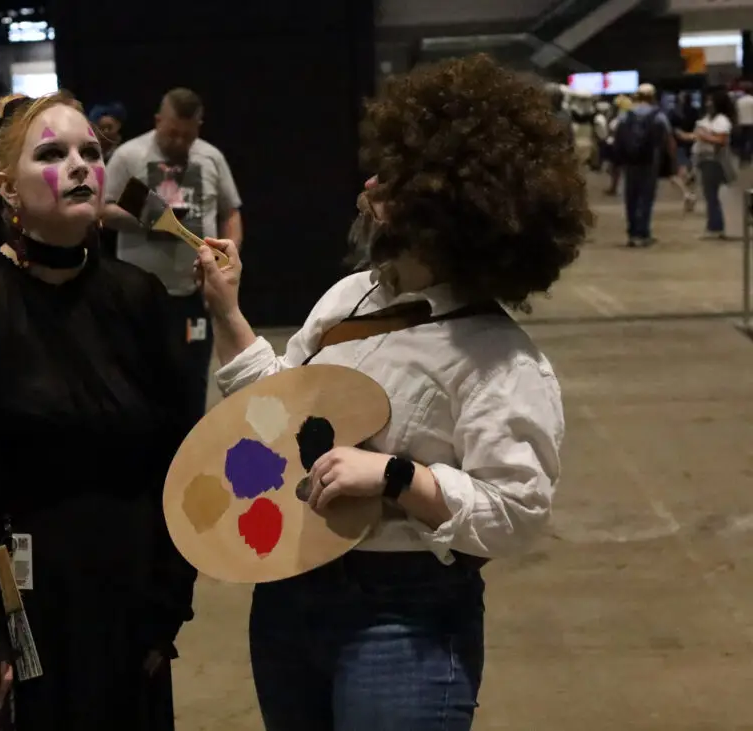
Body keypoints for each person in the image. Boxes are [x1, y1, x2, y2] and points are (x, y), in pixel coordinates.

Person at [194, 53, 589, 731]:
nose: (370, 183)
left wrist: (396, 475)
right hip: (288, 595)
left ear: (448, 205)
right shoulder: (351, 296)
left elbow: (518, 511)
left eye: (396, 179)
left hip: (403, 616)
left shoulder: (498, 358)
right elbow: (281, 411)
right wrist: (229, 314)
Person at [0, 91, 197, 731]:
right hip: (15, 611)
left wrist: (167, 599)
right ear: (8, 189)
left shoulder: (138, 299)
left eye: (90, 153)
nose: (79, 165)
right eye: (53, 153)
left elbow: (179, 463)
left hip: (123, 605)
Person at [104, 87, 243, 427]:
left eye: (187, 134)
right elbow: (101, 211)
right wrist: (144, 216)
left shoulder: (211, 158)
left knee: (192, 380)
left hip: (191, 297)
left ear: (199, 126)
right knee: (138, 380)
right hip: (138, 298)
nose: (179, 141)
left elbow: (232, 211)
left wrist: (229, 250)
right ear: (157, 121)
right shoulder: (127, 156)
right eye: (171, 133)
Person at [614, 83, 675, 248]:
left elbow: (616, 135)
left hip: (630, 161)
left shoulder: (626, 115)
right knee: (646, 197)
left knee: (631, 197)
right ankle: (643, 233)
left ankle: (632, 233)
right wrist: (672, 161)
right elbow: (669, 139)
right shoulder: (658, 115)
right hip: (650, 161)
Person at [693, 88, 736, 240]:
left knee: (711, 195)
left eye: (711, 100)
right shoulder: (708, 118)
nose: (707, 103)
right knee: (709, 194)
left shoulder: (721, 120)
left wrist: (704, 135)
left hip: (714, 160)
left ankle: (715, 226)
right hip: (705, 159)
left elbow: (721, 140)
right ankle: (713, 224)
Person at [669, 91, 699, 212]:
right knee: (684, 172)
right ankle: (689, 195)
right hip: (690, 143)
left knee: (678, 173)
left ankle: (688, 195)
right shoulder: (694, 111)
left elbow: (671, 129)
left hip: (680, 144)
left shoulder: (674, 112)